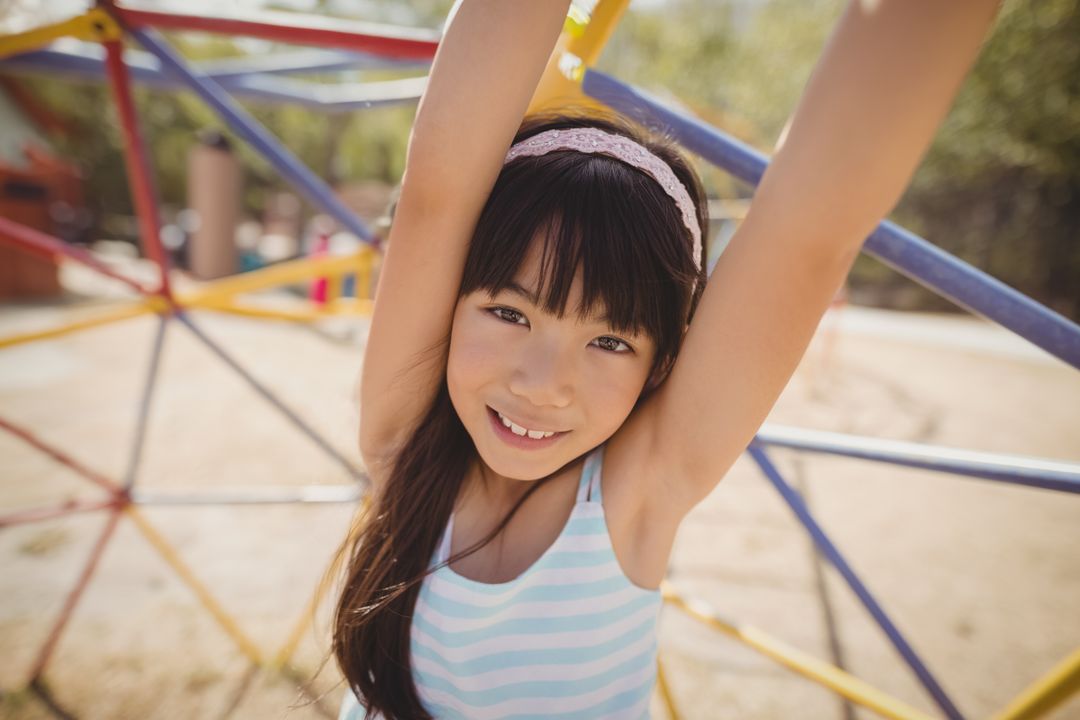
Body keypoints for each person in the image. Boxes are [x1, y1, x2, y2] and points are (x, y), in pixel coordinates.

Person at [331, 1, 1000, 718]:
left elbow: (808, 237)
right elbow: (439, 184)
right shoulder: (405, 442)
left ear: (660, 365)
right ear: (452, 301)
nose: (542, 385)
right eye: (509, 312)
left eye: (609, 341)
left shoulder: (632, 496)